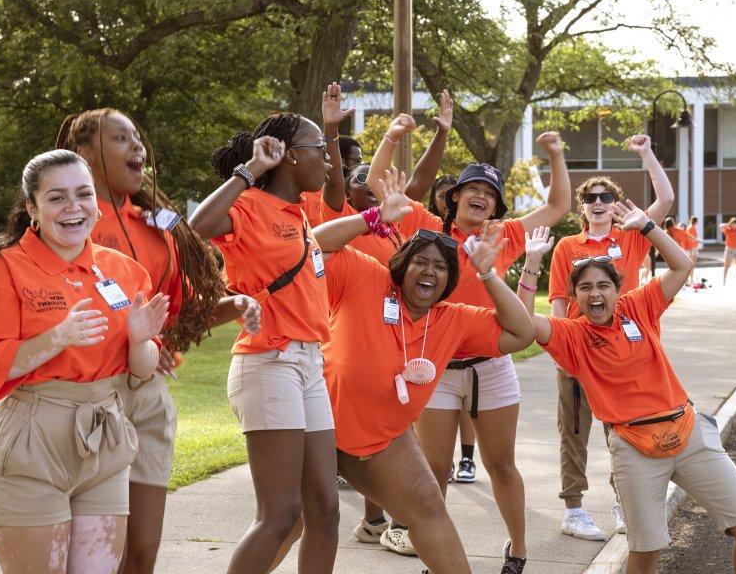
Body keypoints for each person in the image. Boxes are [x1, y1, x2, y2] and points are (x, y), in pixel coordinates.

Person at [55, 108, 262, 574]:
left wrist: (235, 304)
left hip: (144, 397)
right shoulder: (64, 220)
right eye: (121, 139)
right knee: (88, 553)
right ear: (85, 153)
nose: (138, 148)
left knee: (143, 548)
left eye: (137, 138)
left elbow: (180, 315)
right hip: (85, 400)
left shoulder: (157, 226)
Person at [310, 168, 537, 574]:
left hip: (383, 441)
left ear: (450, 282)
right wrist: (374, 217)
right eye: (421, 262)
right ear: (401, 265)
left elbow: (522, 333)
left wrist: (486, 273)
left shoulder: (454, 318)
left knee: (430, 506)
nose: (430, 272)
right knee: (301, 520)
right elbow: (312, 244)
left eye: (441, 267)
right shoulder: (368, 277)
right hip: (320, 428)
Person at [366, 128, 572, 572]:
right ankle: (434, 557)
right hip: (433, 367)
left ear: (496, 207)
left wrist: (555, 154)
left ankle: (517, 551)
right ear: (455, 198)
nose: (480, 197)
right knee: (433, 469)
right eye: (472, 190)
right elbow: (376, 184)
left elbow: (558, 207)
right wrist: (392, 135)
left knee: (500, 465)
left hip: (491, 365)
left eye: (489, 194)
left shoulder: (504, 235)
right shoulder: (424, 226)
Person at [517, 214, 736, 574]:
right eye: (585, 287)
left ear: (617, 289)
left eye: (603, 285)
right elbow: (521, 322)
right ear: (574, 296)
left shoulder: (638, 307)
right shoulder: (572, 335)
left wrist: (647, 227)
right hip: (634, 446)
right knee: (646, 552)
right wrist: (531, 263)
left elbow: (682, 264)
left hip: (688, 431)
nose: (595, 293)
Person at [0, 149, 170, 573]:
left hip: (104, 437)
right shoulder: (3, 270)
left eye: (83, 194)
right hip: (30, 443)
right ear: (32, 209)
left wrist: (138, 341)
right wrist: (58, 336)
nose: (73, 207)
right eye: (56, 198)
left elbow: (144, 368)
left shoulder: (125, 271)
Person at [189, 112, 338, 574]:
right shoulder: (250, 204)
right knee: (279, 515)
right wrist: (251, 170)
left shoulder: (300, 210)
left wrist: (330, 130)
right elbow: (197, 227)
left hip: (310, 362)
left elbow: (336, 196)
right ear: (290, 156)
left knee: (326, 510)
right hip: (270, 361)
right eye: (318, 148)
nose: (328, 161)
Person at [320, 88, 454, 550]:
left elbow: (415, 181)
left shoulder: (406, 229)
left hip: (400, 358)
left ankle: (378, 522)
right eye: (359, 180)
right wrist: (378, 135)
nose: (368, 181)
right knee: (299, 516)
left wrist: (441, 133)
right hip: (339, 360)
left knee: (393, 453)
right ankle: (376, 520)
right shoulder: (343, 220)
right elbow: (349, 179)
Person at [546, 135, 674, 541]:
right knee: (574, 431)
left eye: (606, 197)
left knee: (623, 430)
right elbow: (559, 302)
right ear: (582, 207)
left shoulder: (631, 237)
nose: (598, 203)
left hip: (628, 353)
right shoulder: (568, 246)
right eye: (591, 198)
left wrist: (646, 153)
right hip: (580, 350)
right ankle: (574, 508)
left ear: (615, 205)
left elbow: (666, 199)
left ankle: (623, 500)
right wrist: (559, 354)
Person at [428, 174, 479, 484]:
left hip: (475, 345)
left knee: (466, 405)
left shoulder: (484, 234)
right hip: (434, 346)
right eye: (442, 193)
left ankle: (467, 458)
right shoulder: (430, 228)